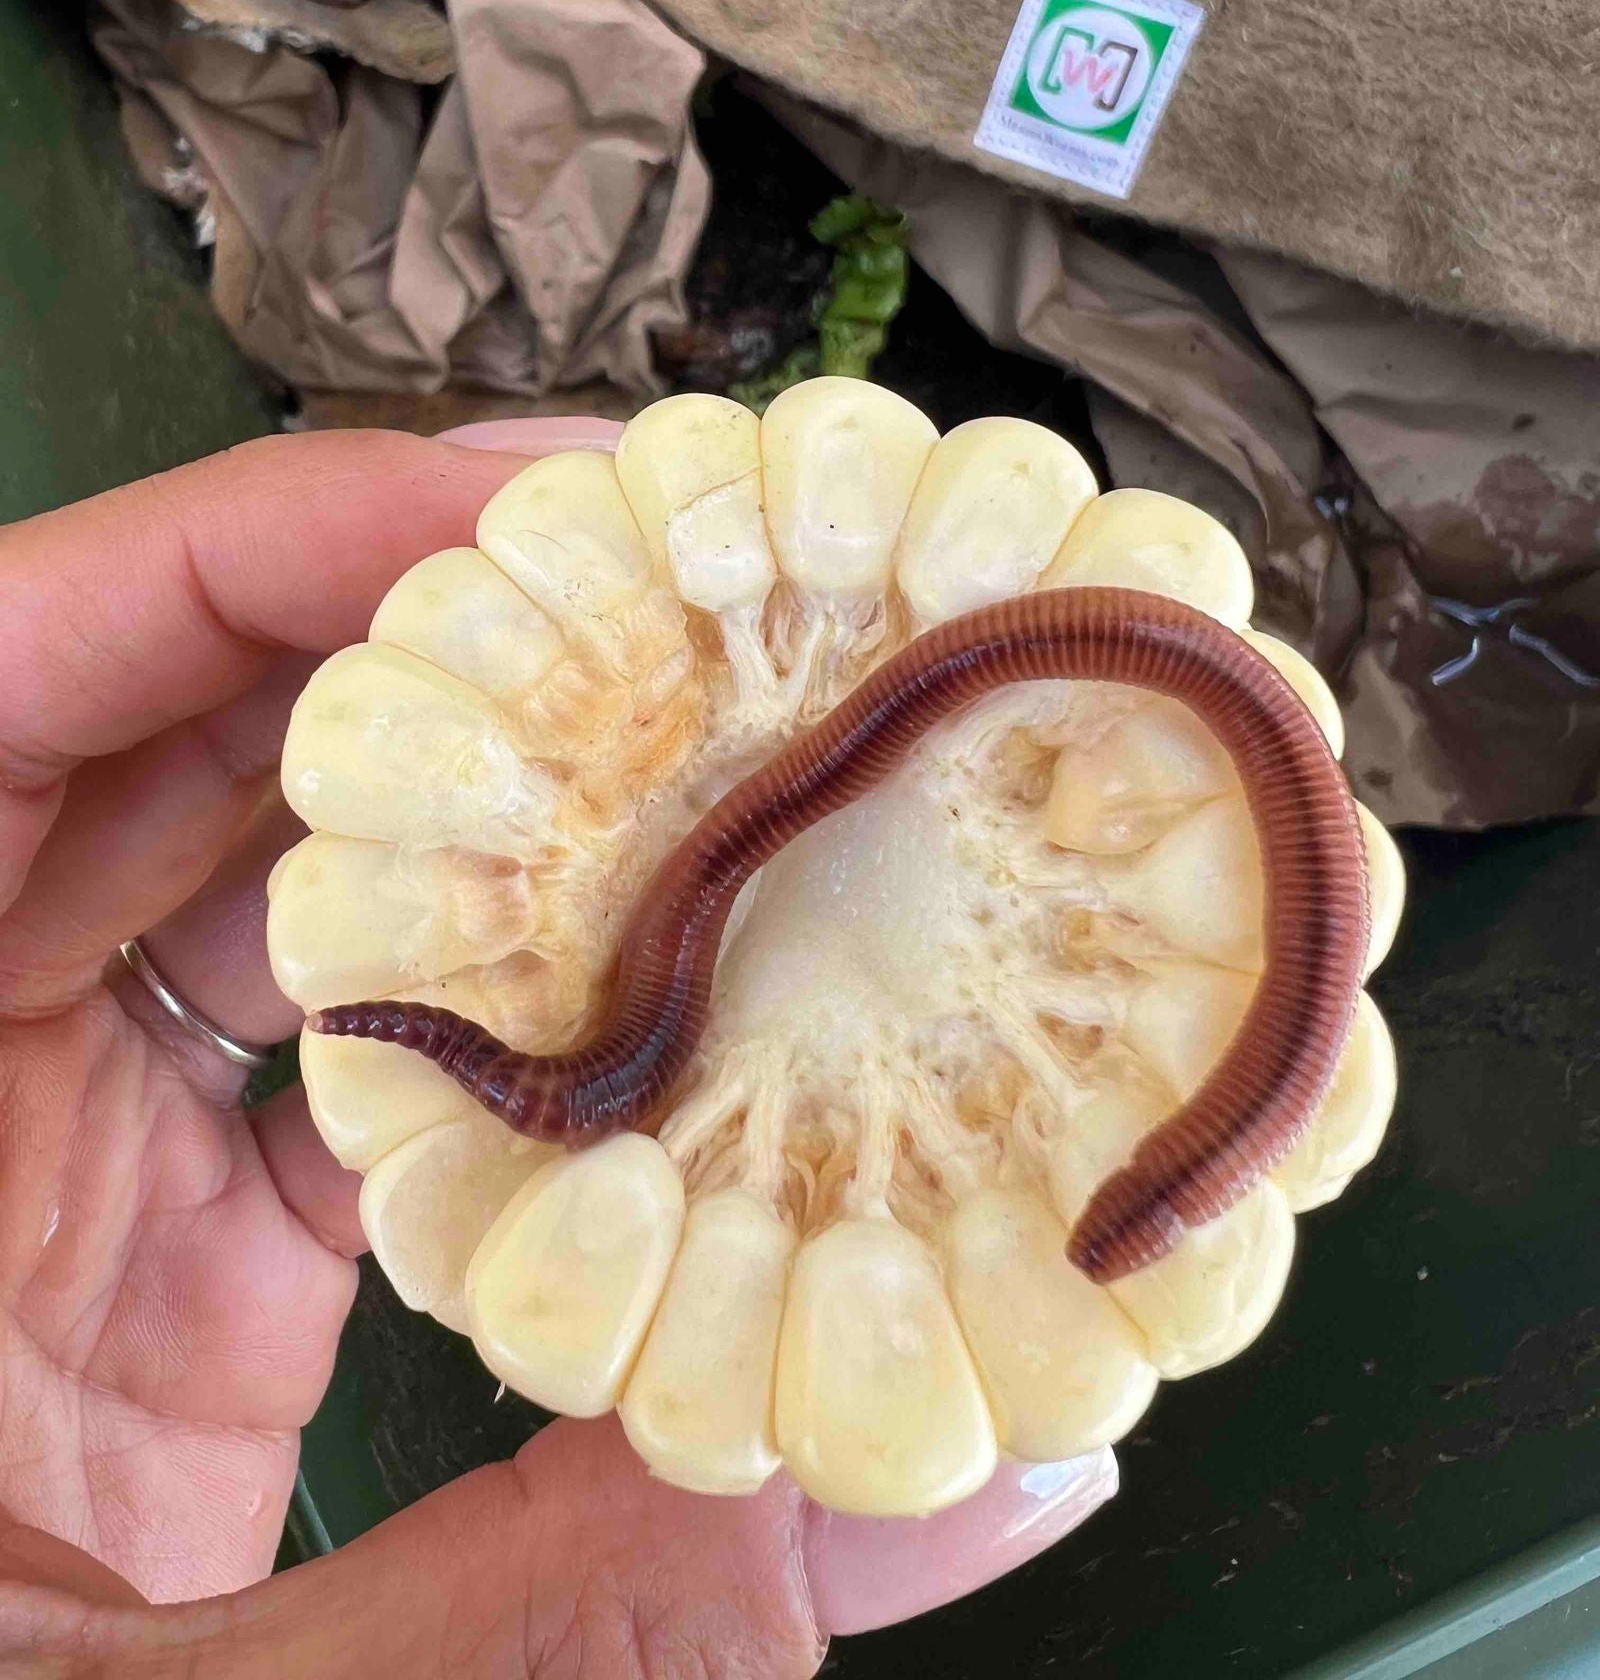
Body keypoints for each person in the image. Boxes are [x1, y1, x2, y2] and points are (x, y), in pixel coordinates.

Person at [0, 419, 1114, 1677]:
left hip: (639, 1023)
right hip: (630, 1035)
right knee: (650, 972)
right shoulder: (621, 1046)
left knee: (675, 939)